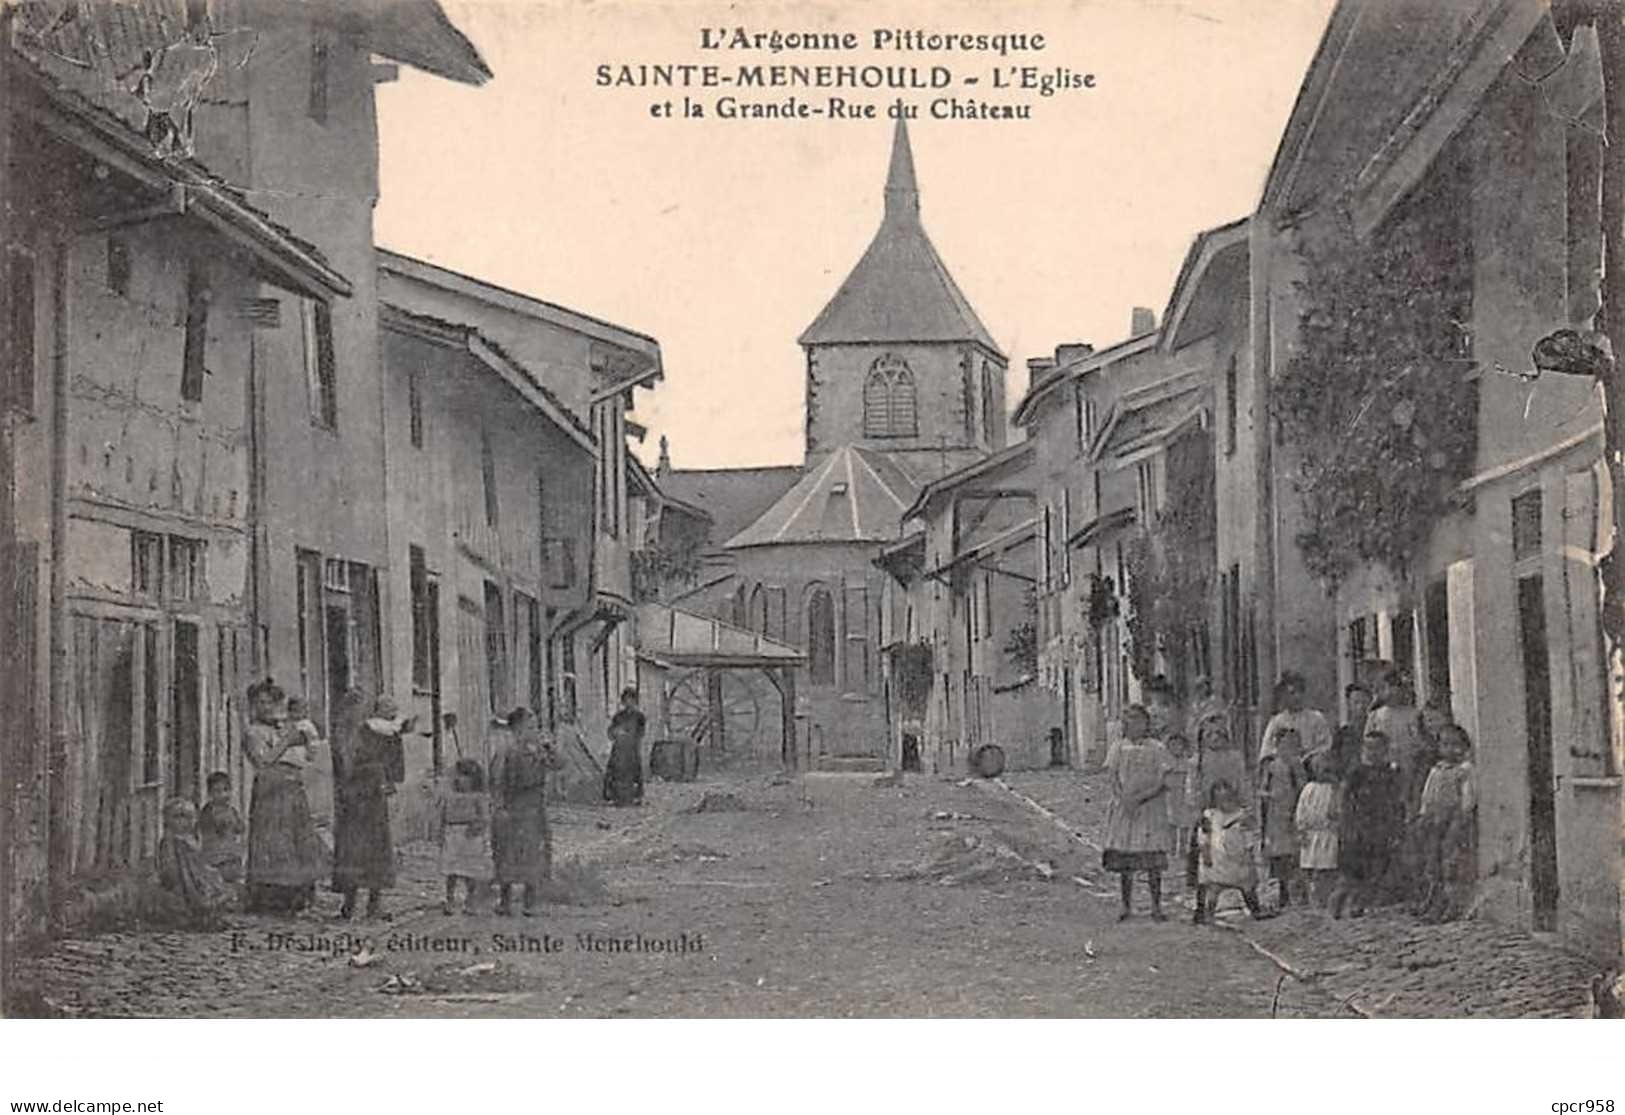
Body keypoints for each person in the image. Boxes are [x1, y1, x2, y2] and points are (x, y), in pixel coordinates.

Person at [243, 680, 324, 914]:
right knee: (272, 842)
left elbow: (307, 756)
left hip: (292, 788)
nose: (266, 707)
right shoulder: (253, 732)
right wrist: (287, 741)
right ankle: (271, 898)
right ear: (253, 705)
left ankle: (298, 894)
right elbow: (262, 761)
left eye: (270, 702)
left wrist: (302, 743)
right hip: (270, 790)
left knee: (297, 842)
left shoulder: (281, 727)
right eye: (260, 703)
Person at [332, 694, 409, 920]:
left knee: (375, 845)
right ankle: (350, 903)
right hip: (354, 794)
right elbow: (342, 766)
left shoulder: (376, 732)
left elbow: (392, 758)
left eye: (357, 709)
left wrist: (388, 779)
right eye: (350, 709)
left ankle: (373, 903)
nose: (354, 714)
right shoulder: (349, 733)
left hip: (371, 792)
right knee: (352, 846)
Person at [1101, 705, 1175, 922]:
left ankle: (1156, 905)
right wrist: (1124, 799)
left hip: (1150, 807)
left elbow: (1163, 779)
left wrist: (1145, 797)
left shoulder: (1157, 748)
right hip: (1126, 807)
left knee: (1152, 860)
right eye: (1130, 721)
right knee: (1126, 860)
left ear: (1146, 723)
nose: (1134, 726)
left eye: (1139, 721)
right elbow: (1113, 777)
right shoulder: (1118, 748)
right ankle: (1126, 905)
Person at [490, 707, 563, 916]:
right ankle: (505, 901)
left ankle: (530, 902)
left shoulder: (539, 749)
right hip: (513, 806)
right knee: (507, 853)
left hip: (534, 806)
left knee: (533, 853)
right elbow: (497, 780)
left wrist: (550, 748)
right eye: (531, 726)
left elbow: (559, 764)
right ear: (518, 727)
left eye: (535, 726)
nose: (535, 730)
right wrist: (500, 806)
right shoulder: (506, 750)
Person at [1332, 729, 1404, 918]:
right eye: (1369, 748)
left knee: (1377, 865)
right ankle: (1343, 899)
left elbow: (1397, 799)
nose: (1373, 752)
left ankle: (1363, 902)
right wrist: (1345, 820)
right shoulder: (1357, 772)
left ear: (1386, 749)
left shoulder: (1391, 772)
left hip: (1381, 825)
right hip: (1359, 825)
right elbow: (1345, 796)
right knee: (1355, 868)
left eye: (1378, 748)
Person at [1414, 723, 1477, 923]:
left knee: (1450, 860)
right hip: (1435, 819)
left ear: (1465, 747)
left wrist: (1463, 815)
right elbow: (1428, 795)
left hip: (1454, 819)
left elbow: (1468, 797)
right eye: (1445, 744)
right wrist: (1424, 814)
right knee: (1433, 859)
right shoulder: (1436, 770)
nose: (1450, 749)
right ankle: (1433, 899)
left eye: (1456, 745)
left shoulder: (1464, 770)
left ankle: (1451, 905)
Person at [1193, 780, 1275, 924]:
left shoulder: (1242, 815)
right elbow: (1204, 837)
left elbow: (1250, 835)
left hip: (1239, 858)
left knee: (1247, 885)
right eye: (1219, 797)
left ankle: (1255, 910)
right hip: (1216, 856)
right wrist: (1206, 854)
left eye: (1227, 796)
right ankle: (1204, 913)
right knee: (1211, 887)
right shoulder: (1209, 815)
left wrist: (1250, 851)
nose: (1224, 801)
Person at [156, 798, 229, 926]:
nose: (184, 822)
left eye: (189, 818)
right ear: (167, 820)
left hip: (197, 875)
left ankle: (207, 916)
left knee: (214, 884)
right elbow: (169, 863)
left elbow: (200, 859)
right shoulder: (171, 841)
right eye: (178, 817)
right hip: (183, 878)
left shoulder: (191, 839)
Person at [1258, 724, 1307, 907]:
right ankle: (1283, 891)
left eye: (1292, 745)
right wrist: (1269, 797)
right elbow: (1263, 788)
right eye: (1284, 744)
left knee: (1295, 852)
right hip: (1275, 813)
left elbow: (1303, 787)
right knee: (1279, 853)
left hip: (1294, 810)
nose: (1288, 749)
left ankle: (1299, 891)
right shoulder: (1271, 766)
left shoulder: (1298, 765)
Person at [438, 758, 490, 916]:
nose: (462, 780)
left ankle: (470, 900)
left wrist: (477, 828)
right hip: (452, 833)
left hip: (470, 835)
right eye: (459, 776)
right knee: (451, 869)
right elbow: (443, 815)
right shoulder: (450, 796)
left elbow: (484, 817)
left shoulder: (478, 797)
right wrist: (441, 833)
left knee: (470, 870)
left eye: (466, 777)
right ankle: (449, 899)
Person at [1295, 749, 1342, 907]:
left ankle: (1325, 896)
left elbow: (1337, 809)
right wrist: (1301, 829)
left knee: (1327, 867)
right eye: (1319, 767)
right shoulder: (1309, 789)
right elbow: (1301, 810)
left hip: (1329, 833)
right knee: (1310, 866)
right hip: (1311, 833)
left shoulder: (1335, 789)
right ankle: (1311, 895)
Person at [1258, 671, 1332, 764]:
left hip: (1309, 765)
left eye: (1300, 692)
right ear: (1284, 695)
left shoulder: (1316, 719)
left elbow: (1326, 745)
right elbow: (1266, 750)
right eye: (1292, 693)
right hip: (1285, 766)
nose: (1297, 697)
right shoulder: (1277, 722)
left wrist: (1311, 755)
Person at [197, 771, 245, 884]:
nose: (223, 795)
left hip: (232, 857)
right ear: (210, 794)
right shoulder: (207, 811)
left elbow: (240, 828)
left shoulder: (231, 810)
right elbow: (206, 828)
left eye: (226, 790)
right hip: (215, 859)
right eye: (217, 791)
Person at [604, 688, 647, 807]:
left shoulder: (639, 717)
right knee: (614, 771)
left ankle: (636, 797)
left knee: (634, 771)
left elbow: (640, 733)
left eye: (631, 700)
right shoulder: (618, 716)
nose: (628, 702)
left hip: (632, 749)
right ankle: (613, 797)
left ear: (635, 701)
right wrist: (616, 733)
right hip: (618, 749)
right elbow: (611, 732)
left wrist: (629, 737)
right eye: (626, 700)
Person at [1333, 681, 1373, 778]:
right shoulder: (1342, 734)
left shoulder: (1375, 729)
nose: (1360, 706)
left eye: (1364, 702)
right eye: (1356, 702)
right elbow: (1335, 759)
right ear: (1349, 704)